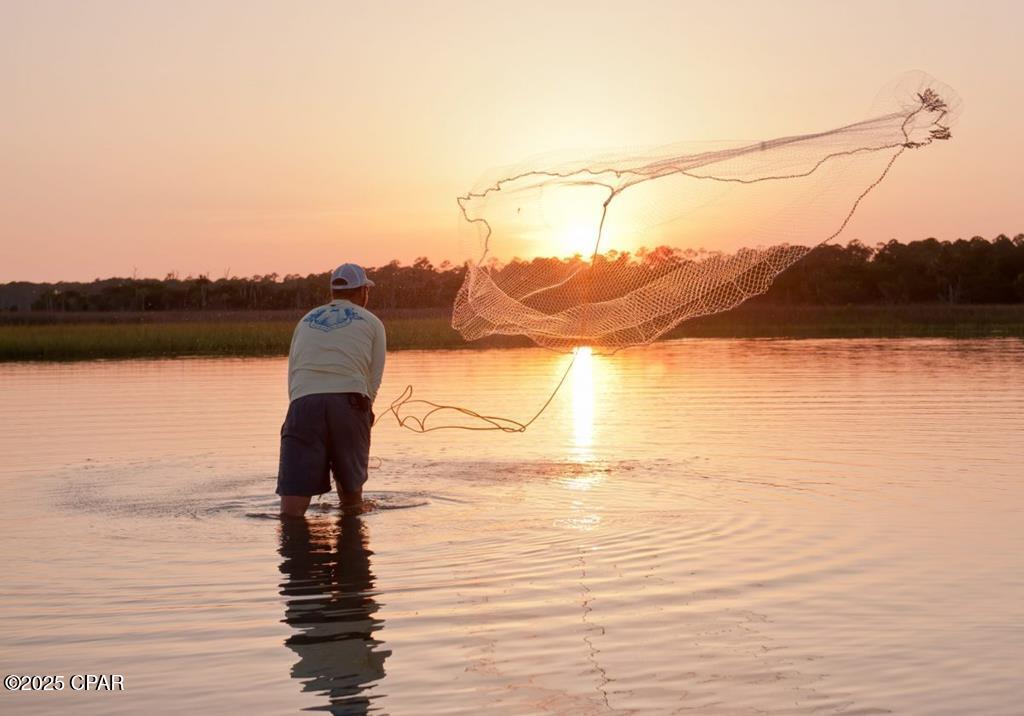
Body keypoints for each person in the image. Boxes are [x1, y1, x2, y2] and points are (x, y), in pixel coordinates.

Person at [277, 263, 386, 517]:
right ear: (362, 292)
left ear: (333, 292)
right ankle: (351, 538)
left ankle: (293, 542)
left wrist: (299, 412)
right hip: (349, 402)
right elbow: (374, 378)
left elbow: (293, 373)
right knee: (351, 499)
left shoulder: (306, 320)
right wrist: (365, 413)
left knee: (291, 509)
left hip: (302, 403)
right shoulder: (372, 322)